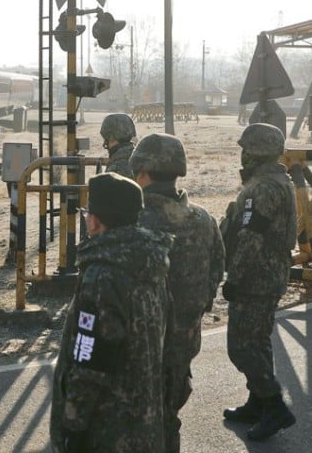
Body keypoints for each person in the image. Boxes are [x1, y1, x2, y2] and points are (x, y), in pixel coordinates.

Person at [50, 172, 174, 453]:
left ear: (95, 221)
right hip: (146, 423)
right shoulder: (152, 264)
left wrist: (73, 425)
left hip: (107, 430)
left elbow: (90, 359)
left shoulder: (101, 275)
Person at [130, 133, 225, 453]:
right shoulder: (202, 219)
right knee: (168, 416)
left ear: (142, 173)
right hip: (183, 343)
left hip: (137, 349)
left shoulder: (132, 220)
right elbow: (217, 267)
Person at [220, 122, 297, 441]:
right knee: (259, 341)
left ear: (256, 152)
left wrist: (234, 278)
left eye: (246, 149)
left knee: (241, 346)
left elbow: (251, 237)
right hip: (270, 272)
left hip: (257, 277)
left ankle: (275, 407)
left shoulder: (264, 187)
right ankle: (258, 403)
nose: (242, 155)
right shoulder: (278, 180)